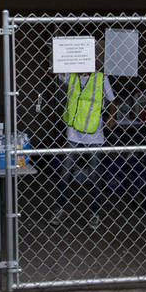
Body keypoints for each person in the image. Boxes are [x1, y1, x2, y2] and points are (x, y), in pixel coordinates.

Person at [52, 46, 116, 229]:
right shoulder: (71, 76)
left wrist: (111, 116)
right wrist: (63, 51)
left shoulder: (101, 79)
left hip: (94, 135)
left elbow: (112, 101)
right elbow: (57, 70)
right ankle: (59, 208)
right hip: (73, 133)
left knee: (95, 175)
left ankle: (95, 213)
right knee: (65, 172)